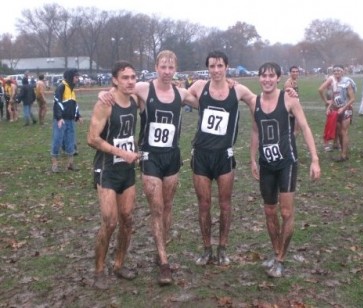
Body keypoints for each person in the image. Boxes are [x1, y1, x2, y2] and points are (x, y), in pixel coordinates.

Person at [99, 50, 198, 285]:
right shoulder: (144, 89)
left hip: (172, 157)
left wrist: (225, 82)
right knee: (157, 208)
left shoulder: (181, 93)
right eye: (162, 67)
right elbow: (119, 90)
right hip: (150, 157)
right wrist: (104, 93)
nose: (166, 72)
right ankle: (164, 263)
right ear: (156, 67)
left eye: (170, 68)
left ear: (175, 70)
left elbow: (209, 101)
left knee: (168, 208)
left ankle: (160, 248)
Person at [187, 50, 259, 266]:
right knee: (204, 204)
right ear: (207, 68)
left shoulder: (238, 90)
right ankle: (207, 248)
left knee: (225, 205)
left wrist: (286, 98)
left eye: (220, 66)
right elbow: (176, 96)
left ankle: (223, 248)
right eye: (212, 66)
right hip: (201, 155)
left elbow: (260, 101)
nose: (216, 70)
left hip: (224, 156)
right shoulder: (199, 87)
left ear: (227, 67)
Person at [249, 62, 320, 278]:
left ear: (278, 78)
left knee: (286, 212)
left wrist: (315, 159)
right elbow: (255, 131)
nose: (267, 79)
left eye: (272, 76)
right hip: (266, 165)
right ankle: (275, 251)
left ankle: (280, 258)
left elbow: (305, 127)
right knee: (269, 211)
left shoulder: (289, 99)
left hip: (287, 163)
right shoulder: (255, 102)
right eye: (264, 76)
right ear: (259, 78)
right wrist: (252, 159)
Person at [87, 61, 141, 290]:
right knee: (110, 222)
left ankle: (119, 265)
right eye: (125, 77)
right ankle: (99, 270)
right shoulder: (105, 104)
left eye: (133, 77)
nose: (130, 81)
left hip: (126, 171)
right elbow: (92, 138)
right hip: (107, 169)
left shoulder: (136, 99)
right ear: (115, 80)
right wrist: (121, 152)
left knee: (127, 219)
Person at [318, 65, 356, 162]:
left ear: (343, 72)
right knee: (339, 132)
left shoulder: (347, 83)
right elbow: (334, 98)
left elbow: (352, 99)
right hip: (336, 110)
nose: (336, 72)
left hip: (346, 110)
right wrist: (329, 106)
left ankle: (343, 155)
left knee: (344, 132)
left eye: (339, 71)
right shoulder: (334, 83)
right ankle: (343, 151)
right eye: (335, 71)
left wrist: (343, 108)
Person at [51, 68, 82, 173]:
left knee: (70, 141)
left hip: (70, 120)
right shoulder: (62, 87)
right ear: (70, 77)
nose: (78, 79)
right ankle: (55, 165)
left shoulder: (71, 89)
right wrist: (59, 118)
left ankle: (70, 164)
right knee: (57, 140)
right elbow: (57, 103)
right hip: (61, 120)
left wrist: (78, 116)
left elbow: (74, 104)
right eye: (76, 77)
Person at [284, 66, 300, 134]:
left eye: (296, 71)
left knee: (296, 128)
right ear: (290, 73)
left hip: (295, 105)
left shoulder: (294, 81)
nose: (295, 73)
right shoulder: (288, 83)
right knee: (293, 130)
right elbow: (288, 97)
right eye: (293, 72)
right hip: (291, 108)